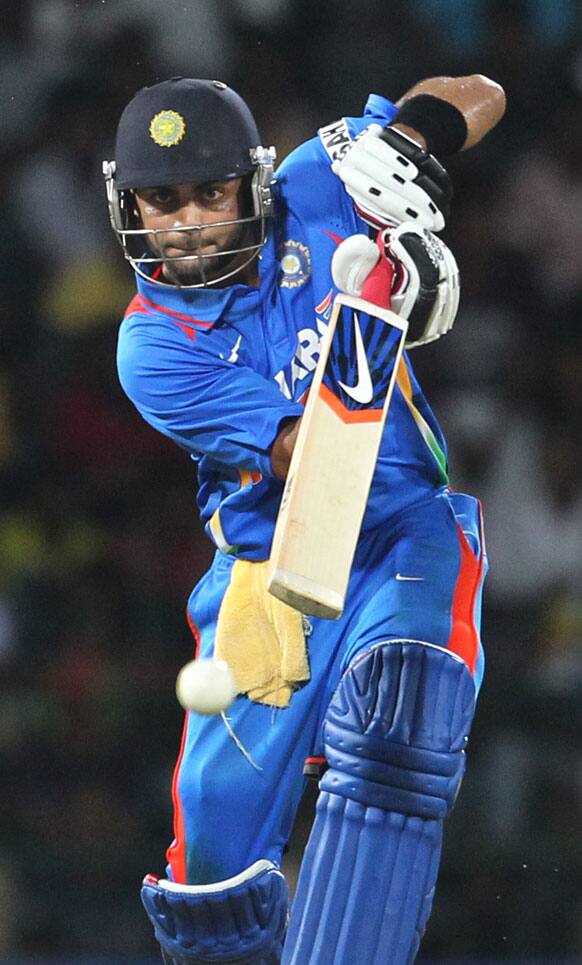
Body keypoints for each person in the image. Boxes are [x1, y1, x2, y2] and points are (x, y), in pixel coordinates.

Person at [104, 73, 505, 964]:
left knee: (405, 709)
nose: (191, 222)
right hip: (267, 574)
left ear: (254, 180)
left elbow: (478, 90)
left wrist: (410, 140)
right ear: (128, 204)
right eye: (163, 202)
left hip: (402, 530)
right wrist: (381, 308)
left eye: (211, 193)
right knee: (211, 887)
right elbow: (311, 461)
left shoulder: (318, 178)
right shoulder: (154, 344)